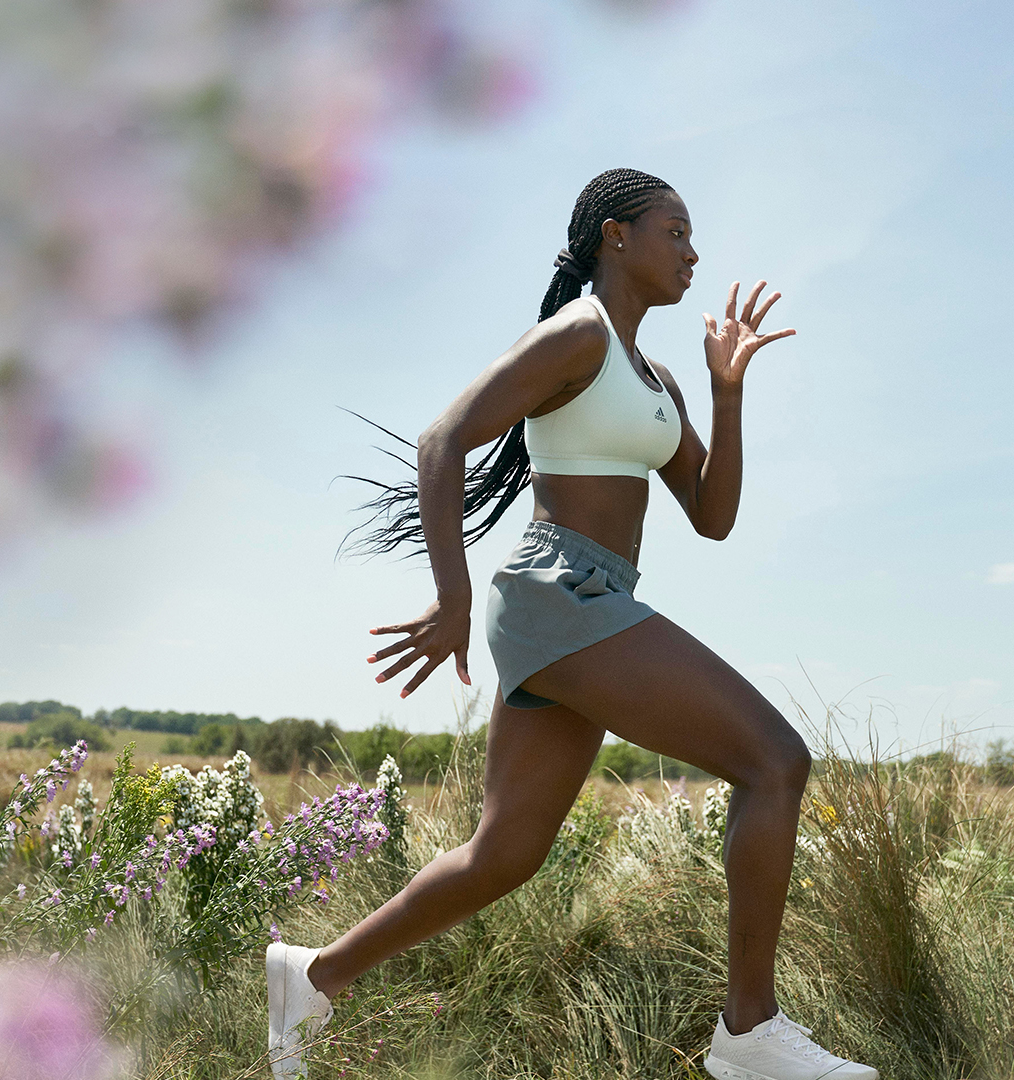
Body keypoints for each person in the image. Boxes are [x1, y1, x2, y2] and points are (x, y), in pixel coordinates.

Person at [265, 168, 878, 1080]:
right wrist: (454, 595)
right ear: (614, 236)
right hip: (559, 592)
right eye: (676, 230)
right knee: (775, 761)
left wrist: (728, 393)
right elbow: (444, 438)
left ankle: (311, 978)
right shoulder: (577, 335)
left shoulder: (655, 376)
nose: (693, 251)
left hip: (594, 598)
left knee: (502, 854)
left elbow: (712, 515)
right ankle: (749, 1033)